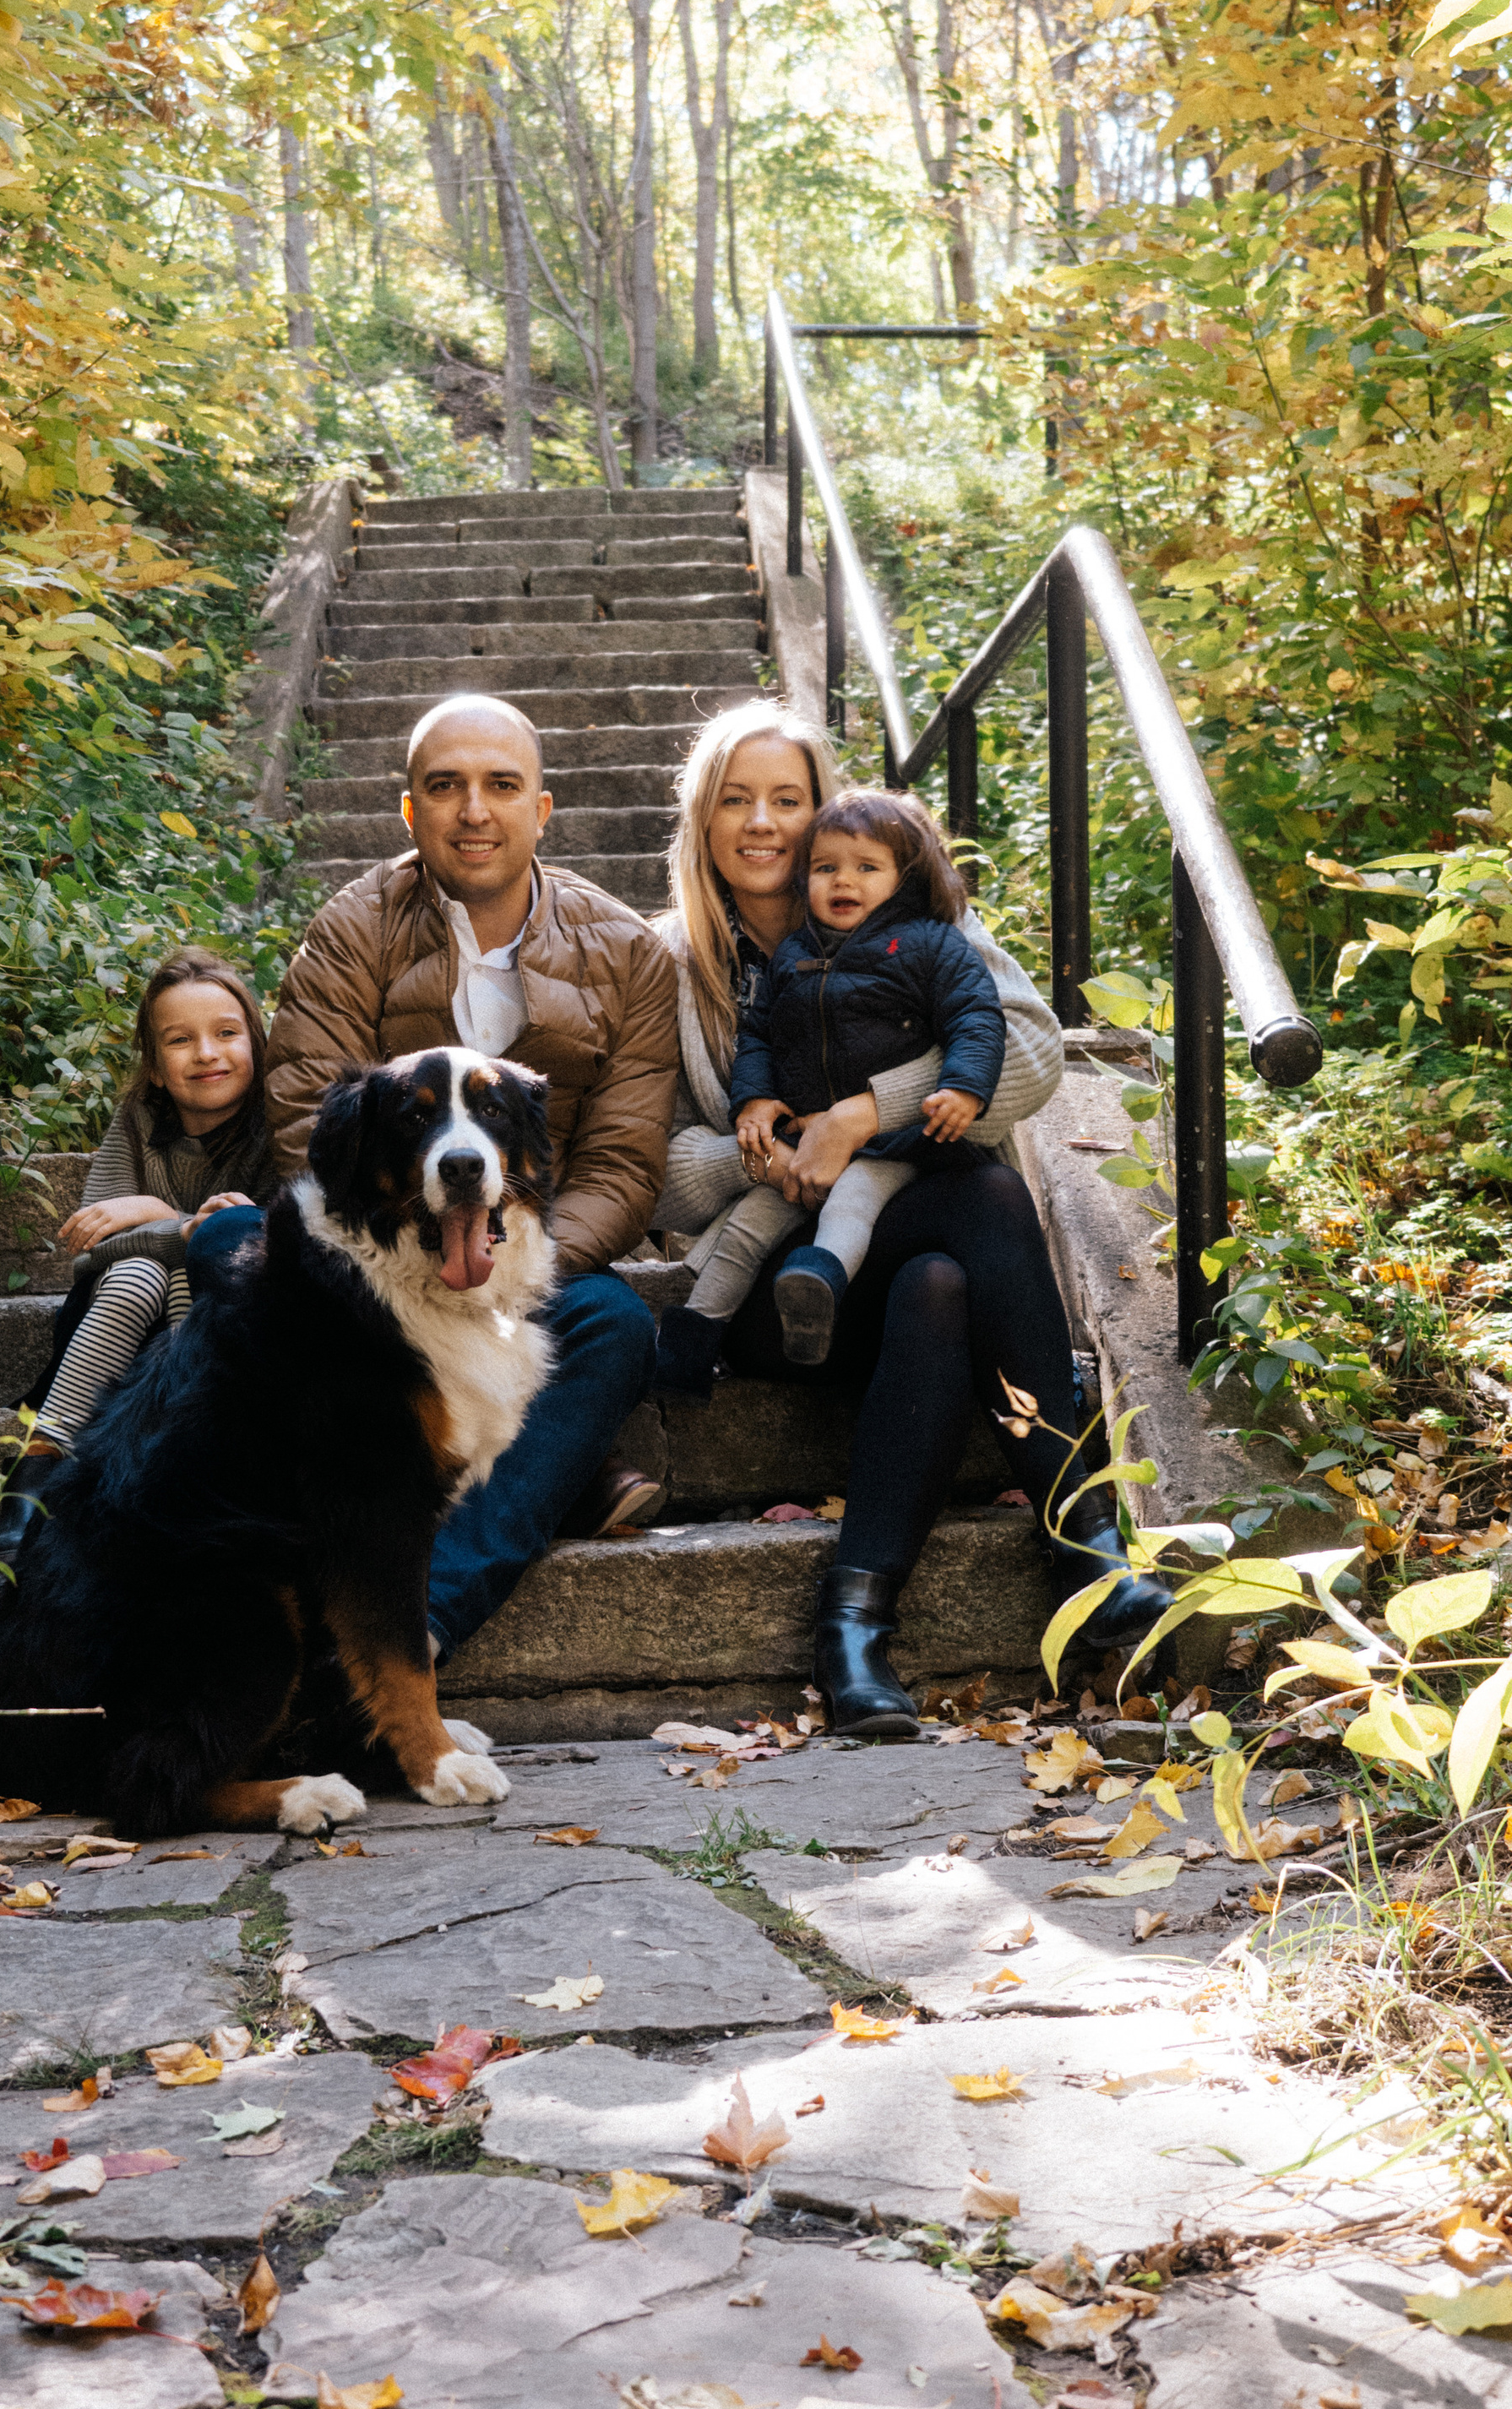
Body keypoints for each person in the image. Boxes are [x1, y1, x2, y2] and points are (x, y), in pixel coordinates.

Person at [652, 698, 1169, 1737]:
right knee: (973, 1198)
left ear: (829, 813)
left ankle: (853, 1631)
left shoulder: (909, 907)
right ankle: (1082, 1533)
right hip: (770, 1280)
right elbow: (651, 1174)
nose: (763, 824)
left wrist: (863, 1113)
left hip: (903, 1255)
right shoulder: (664, 959)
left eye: (787, 799)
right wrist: (788, 1151)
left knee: (941, 1278)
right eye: (736, 800)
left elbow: (1026, 1057)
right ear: (700, 819)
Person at [190, 691, 677, 1661]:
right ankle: (563, 1467)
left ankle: (420, 1624)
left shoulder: (626, 952)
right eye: (444, 786)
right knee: (220, 1247)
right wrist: (410, 1271)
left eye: (502, 785)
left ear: (543, 809)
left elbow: (622, 1162)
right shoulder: (350, 930)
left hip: (527, 1263)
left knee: (618, 1325)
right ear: (409, 809)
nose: (473, 809)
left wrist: (507, 1272)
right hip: (375, 1271)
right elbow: (307, 1127)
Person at [661, 786, 1006, 1383]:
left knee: (852, 1203)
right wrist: (755, 1099)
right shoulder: (793, 953)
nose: (843, 882)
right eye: (825, 868)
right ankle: (692, 1337)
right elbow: (759, 1035)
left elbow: (976, 1016)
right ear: (805, 878)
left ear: (904, 877)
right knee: (746, 1226)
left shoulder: (930, 942)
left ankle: (818, 1281)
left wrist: (964, 1086)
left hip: (887, 1147)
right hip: (801, 1144)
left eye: (866, 868)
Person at [0, 950, 275, 1562]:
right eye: (180, 1039)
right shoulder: (139, 1120)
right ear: (156, 1065)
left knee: (185, 1279)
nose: (206, 1052)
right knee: (143, 1271)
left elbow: (270, 1253)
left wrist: (161, 1218)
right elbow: (93, 1247)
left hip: (209, 1341)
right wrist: (175, 1225)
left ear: (257, 1039)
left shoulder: (277, 1127)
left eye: (227, 1033)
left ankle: (181, 1458)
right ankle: (29, 1485)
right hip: (111, 1326)